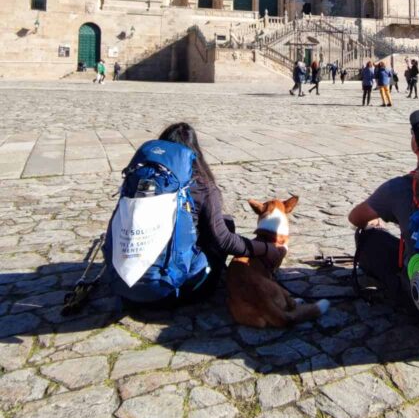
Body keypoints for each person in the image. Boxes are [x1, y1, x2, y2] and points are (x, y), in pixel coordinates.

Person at [106, 121, 286, 306]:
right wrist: (266, 249)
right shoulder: (202, 185)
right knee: (226, 224)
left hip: (123, 288)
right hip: (175, 292)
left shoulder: (138, 182)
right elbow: (224, 240)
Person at [348, 110, 419, 299]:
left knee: (367, 237)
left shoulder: (401, 186)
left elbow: (355, 217)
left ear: (416, 145)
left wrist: (378, 222)